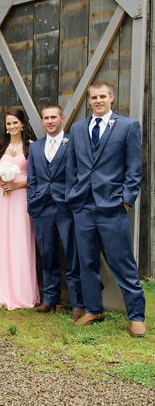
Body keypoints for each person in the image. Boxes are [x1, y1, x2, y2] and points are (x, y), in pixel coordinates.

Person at [66, 82, 146, 337]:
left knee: (121, 261)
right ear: (89, 101)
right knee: (86, 261)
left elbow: (134, 168)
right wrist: (72, 195)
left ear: (112, 98)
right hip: (83, 206)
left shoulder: (127, 126)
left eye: (103, 96)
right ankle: (93, 309)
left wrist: (125, 200)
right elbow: (72, 167)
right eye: (94, 97)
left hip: (112, 205)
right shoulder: (78, 129)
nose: (98, 100)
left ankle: (136, 316)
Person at [27, 105, 84, 320]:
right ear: (42, 121)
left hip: (66, 207)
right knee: (48, 254)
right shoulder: (35, 147)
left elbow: (80, 173)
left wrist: (73, 198)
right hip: (41, 207)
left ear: (62, 118)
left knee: (72, 254)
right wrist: (32, 199)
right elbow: (32, 177)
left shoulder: (73, 143)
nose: (50, 121)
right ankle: (50, 298)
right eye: (46, 118)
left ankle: (78, 302)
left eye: (53, 117)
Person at [0, 108, 39, 310]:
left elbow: (36, 176)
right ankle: (2, 290)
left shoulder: (31, 147)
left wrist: (17, 185)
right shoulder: (0, 146)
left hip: (19, 197)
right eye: (8, 124)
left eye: (15, 123)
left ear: (23, 124)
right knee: (2, 241)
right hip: (1, 196)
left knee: (20, 240)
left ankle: (21, 291)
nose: (11, 127)